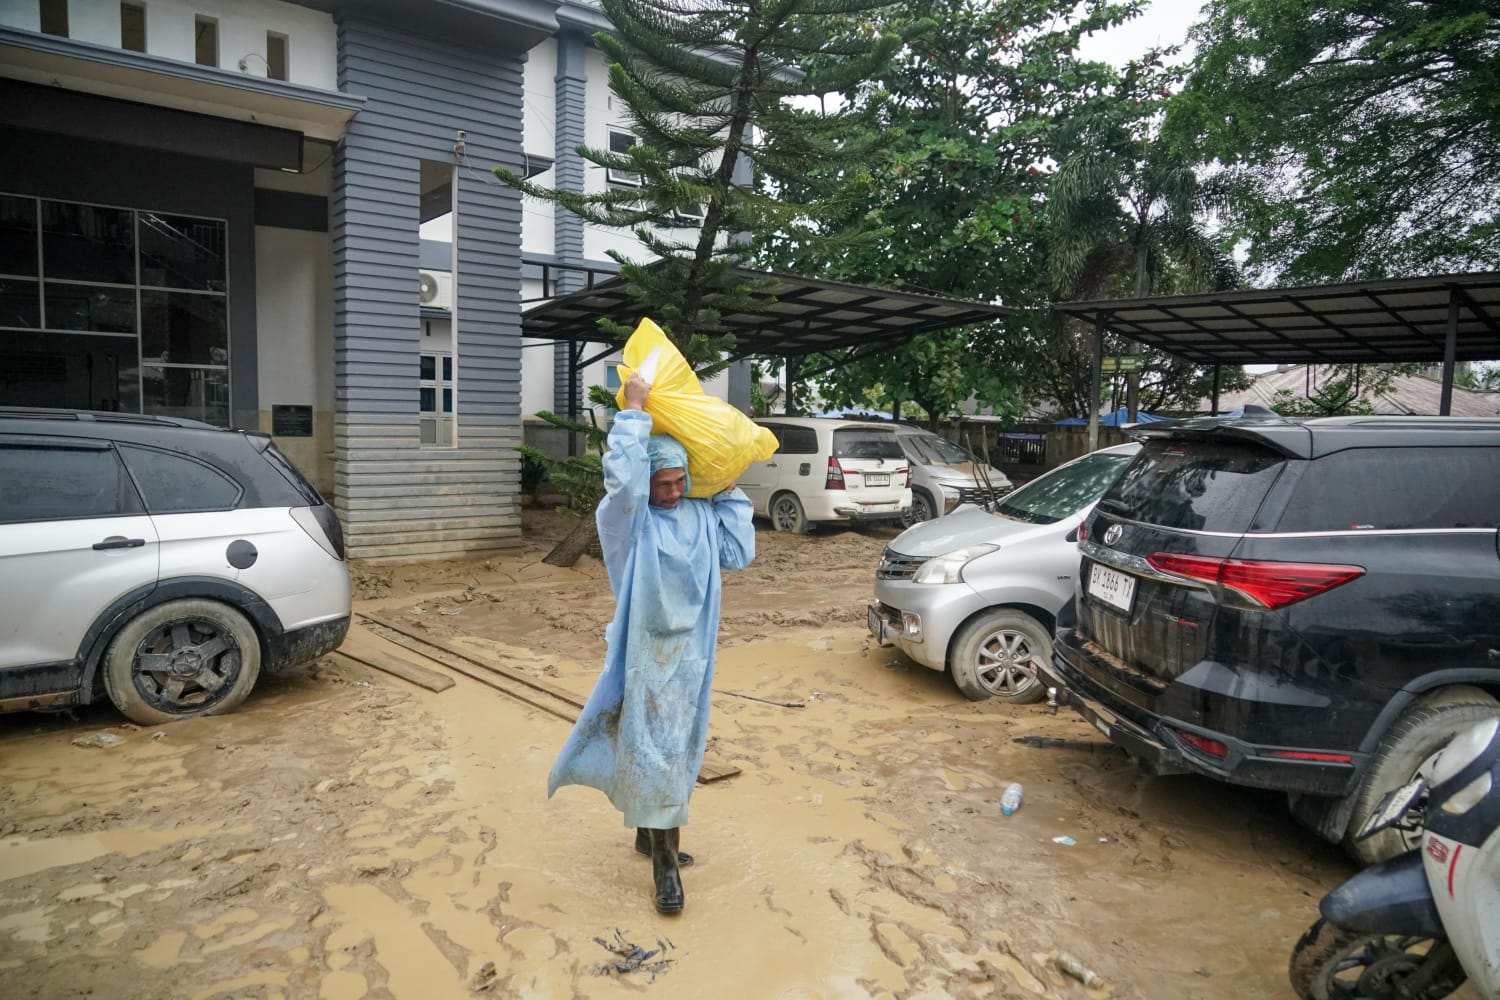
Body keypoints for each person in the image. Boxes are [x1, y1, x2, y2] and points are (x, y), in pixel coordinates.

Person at [547, 373, 755, 915]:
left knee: (670, 750)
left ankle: (647, 834)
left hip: (693, 661)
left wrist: (728, 485)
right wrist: (634, 413)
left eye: (679, 480)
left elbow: (738, 554)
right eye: (661, 482)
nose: (671, 491)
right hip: (644, 658)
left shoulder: (701, 515)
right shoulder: (629, 525)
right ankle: (666, 868)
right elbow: (624, 485)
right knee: (657, 753)